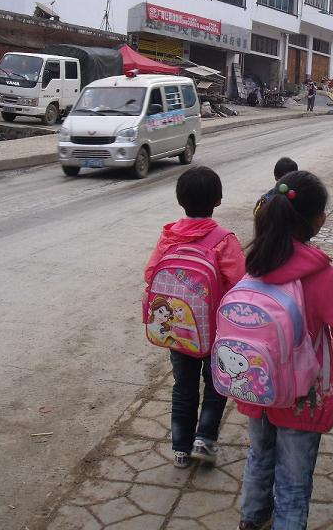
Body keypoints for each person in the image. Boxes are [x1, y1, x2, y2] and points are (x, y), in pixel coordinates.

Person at [235, 171, 333, 530]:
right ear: (318, 220)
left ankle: (251, 520)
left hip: (258, 386)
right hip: (301, 396)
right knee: (293, 481)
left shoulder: (254, 263)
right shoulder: (321, 275)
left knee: (259, 457)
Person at [144, 166, 246, 468]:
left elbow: (150, 274)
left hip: (177, 330)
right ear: (218, 200)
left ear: (180, 200)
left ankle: (180, 448)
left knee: (183, 387)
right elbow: (240, 283)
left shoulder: (169, 236)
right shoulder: (223, 240)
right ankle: (204, 439)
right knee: (216, 386)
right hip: (216, 330)